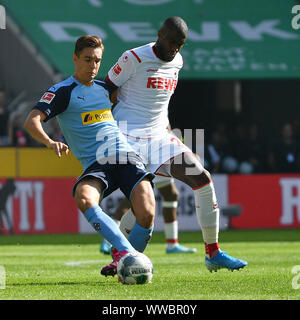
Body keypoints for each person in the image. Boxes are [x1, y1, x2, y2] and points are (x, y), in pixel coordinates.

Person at [103, 16, 247, 273]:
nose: (175, 48)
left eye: (180, 44)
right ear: (160, 34)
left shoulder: (177, 62)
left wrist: (169, 130)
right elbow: (106, 89)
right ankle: (120, 256)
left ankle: (213, 253)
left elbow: (160, 102)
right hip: (128, 137)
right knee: (142, 204)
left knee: (201, 177)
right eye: (171, 42)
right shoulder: (133, 58)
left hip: (160, 136)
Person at [23, 35, 156, 277]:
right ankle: (127, 255)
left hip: (125, 156)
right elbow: (32, 121)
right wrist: (51, 142)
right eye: (87, 59)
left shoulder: (106, 89)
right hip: (97, 164)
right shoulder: (63, 91)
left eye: (97, 61)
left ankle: (124, 263)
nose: (93, 66)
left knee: (147, 212)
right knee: (84, 197)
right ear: (75, 58)